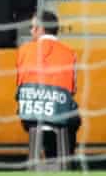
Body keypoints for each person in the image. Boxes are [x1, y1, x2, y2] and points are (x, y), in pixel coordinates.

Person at [16, 11, 80, 154]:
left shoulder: (23, 51)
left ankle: (49, 156)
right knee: (70, 117)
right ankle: (64, 159)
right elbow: (72, 89)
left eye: (33, 28)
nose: (31, 31)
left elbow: (20, 84)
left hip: (30, 116)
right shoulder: (69, 53)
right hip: (58, 116)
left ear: (41, 29)